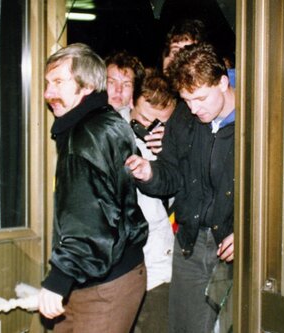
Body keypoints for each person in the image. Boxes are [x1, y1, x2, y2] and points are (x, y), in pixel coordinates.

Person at [38, 43, 148, 333]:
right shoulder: (106, 120)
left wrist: (58, 279)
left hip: (104, 287)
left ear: (86, 86)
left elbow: (90, 220)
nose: (48, 94)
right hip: (101, 274)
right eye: (48, 83)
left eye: (58, 83)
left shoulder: (83, 139)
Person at [126, 42, 235, 333]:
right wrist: (149, 172)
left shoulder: (256, 120)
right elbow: (172, 174)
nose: (193, 109)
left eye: (200, 98)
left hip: (237, 249)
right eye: (186, 100)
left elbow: (282, 190)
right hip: (191, 243)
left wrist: (251, 231)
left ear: (223, 83)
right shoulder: (184, 117)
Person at [118, 69, 176, 333]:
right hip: (122, 269)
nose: (150, 129)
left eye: (160, 123)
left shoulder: (175, 138)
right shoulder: (110, 135)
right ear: (131, 102)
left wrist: (169, 158)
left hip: (161, 266)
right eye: (144, 120)